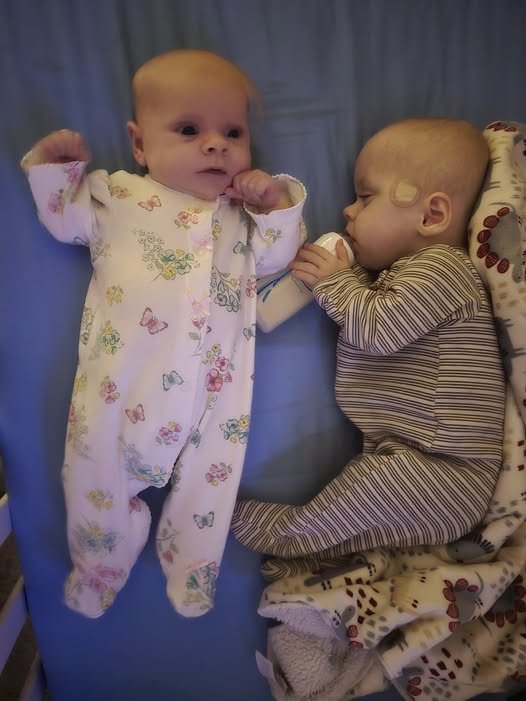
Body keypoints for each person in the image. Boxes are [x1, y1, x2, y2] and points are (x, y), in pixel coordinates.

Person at [21, 49, 306, 618]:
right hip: (119, 391)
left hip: (214, 397)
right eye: (189, 130)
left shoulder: (242, 215)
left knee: (211, 484)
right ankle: (98, 568)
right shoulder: (117, 196)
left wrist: (274, 204)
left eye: (233, 132)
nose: (216, 145)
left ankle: (193, 572)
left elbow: (279, 255)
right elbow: (63, 219)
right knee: (94, 475)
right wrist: (56, 171)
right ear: (139, 144)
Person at [231, 117, 505, 563]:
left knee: (367, 493)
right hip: (410, 460)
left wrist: (335, 282)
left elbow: (379, 330)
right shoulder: (400, 276)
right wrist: (345, 274)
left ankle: (288, 536)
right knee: (361, 508)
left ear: (431, 215)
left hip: (448, 471)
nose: (348, 211)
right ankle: (315, 554)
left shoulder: (445, 269)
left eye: (366, 197)